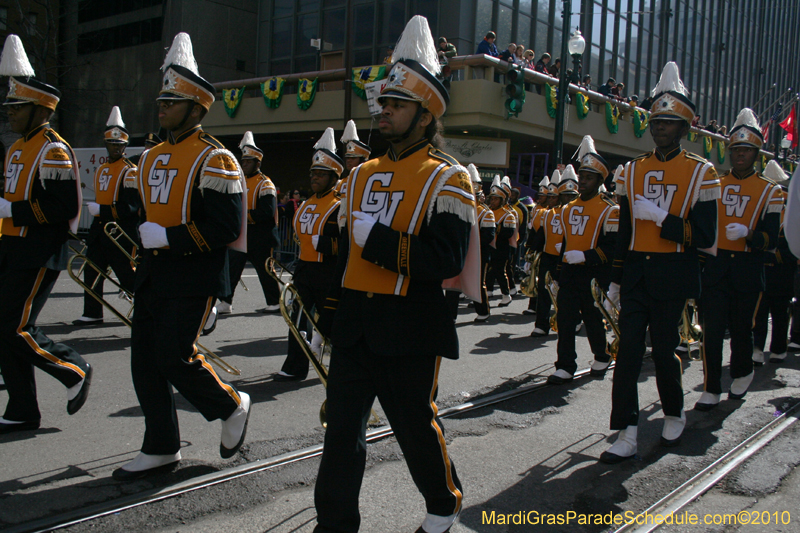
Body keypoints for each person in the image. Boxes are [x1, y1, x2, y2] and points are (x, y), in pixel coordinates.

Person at [313, 16, 474, 533]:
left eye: (396, 104)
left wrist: (377, 240)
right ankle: (334, 524)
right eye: (382, 102)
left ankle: (444, 499)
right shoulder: (358, 174)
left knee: (413, 427)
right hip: (356, 323)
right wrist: (328, 315)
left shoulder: (449, 177)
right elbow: (343, 260)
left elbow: (444, 260)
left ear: (425, 115)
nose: (383, 111)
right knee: (341, 432)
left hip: (409, 325)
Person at [112, 33, 251, 481]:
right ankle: (160, 446)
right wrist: (142, 234)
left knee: (175, 356)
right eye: (161, 99)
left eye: (171, 100)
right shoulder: (149, 156)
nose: (162, 106)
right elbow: (136, 212)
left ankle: (231, 404)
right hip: (153, 274)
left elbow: (225, 227)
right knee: (144, 362)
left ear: (195, 108)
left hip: (194, 276)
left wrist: (168, 237)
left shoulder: (217, 160)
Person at [601, 62, 720, 463]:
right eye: (655, 120)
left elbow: (705, 237)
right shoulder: (631, 171)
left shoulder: (702, 173)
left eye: (668, 122)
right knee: (629, 352)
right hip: (635, 274)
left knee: (666, 349)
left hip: (673, 275)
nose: (659, 127)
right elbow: (623, 235)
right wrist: (614, 281)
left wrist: (664, 221)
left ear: (683, 127)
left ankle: (673, 409)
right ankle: (627, 430)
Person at [0, 34, 91, 433]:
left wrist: (13, 210)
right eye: (8, 106)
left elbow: (62, 207)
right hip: (11, 244)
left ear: (39, 109)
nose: (10, 113)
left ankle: (74, 368)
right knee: (3, 328)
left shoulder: (53, 148)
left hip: (36, 249)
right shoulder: (18, 146)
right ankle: (21, 409)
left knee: (12, 326)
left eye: (17, 106)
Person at [694, 109, 782, 410]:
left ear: (756, 154)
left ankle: (743, 371)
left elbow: (772, 240)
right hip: (716, 267)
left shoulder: (771, 191)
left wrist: (749, 233)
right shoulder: (713, 183)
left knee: (742, 329)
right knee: (712, 330)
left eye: (745, 150)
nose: (740, 155)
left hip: (747, 268)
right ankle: (711, 387)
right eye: (736, 150)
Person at [547, 137, 619, 385]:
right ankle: (565, 365)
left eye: (589, 178)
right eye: (582, 177)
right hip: (569, 274)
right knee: (565, 320)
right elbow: (566, 243)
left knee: (592, 318)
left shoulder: (611, 209)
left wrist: (586, 257)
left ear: (600, 180)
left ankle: (602, 354)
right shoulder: (568, 208)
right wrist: (558, 272)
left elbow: (612, 248)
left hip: (594, 275)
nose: (584, 182)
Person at [275, 127, 342, 382]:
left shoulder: (340, 205)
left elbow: (346, 243)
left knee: (331, 322)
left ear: (333, 176)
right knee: (296, 317)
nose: (315, 177)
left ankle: (341, 369)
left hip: (329, 271)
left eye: (321, 174)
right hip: (304, 268)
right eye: (313, 173)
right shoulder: (305, 204)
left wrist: (323, 243)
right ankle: (294, 366)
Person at [73, 106, 139, 326]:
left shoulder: (129, 171)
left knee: (127, 276)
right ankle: (92, 312)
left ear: (125, 146)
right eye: (112, 144)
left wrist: (101, 210)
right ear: (106, 145)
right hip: (99, 231)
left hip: (120, 232)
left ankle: (146, 310)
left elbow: (130, 207)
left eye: (119, 145)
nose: (115, 148)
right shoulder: (102, 169)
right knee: (92, 271)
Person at [219, 131, 281, 314]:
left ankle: (275, 302)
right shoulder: (239, 181)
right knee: (232, 269)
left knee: (265, 271)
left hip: (261, 236)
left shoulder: (265, 183)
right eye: (243, 161)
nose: (244, 164)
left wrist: (241, 215)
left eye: (248, 162)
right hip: (243, 235)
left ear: (257, 163)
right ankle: (225, 301)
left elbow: (267, 212)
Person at [753, 162, 794, 363]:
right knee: (777, 312)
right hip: (776, 266)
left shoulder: (787, 203)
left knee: (766, 311)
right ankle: (774, 349)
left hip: (779, 265)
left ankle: (762, 348)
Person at [528, 170, 564, 335]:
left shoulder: (570, 212)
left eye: (553, 197)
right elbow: (540, 235)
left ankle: (569, 321)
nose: (550, 200)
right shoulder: (547, 213)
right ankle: (541, 325)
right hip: (548, 257)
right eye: (548, 197)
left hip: (566, 259)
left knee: (563, 293)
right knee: (543, 290)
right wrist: (532, 253)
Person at [484, 175, 516, 307]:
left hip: (502, 248)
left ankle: (506, 294)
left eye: (496, 199)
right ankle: (489, 291)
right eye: (492, 198)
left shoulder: (508, 215)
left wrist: (496, 229)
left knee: (500, 272)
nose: (493, 201)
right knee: (489, 271)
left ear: (502, 200)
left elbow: (508, 234)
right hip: (491, 247)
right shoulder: (488, 211)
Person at [469, 164, 495, 323]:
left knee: (478, 282)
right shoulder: (461, 208)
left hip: (479, 253)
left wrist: (471, 245)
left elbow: (488, 236)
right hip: (463, 252)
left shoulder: (486, 212)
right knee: (453, 285)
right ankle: (450, 314)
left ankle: (483, 311)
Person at [508, 186, 529, 295]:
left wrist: (520, 240)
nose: (511, 197)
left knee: (513, 263)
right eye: (510, 194)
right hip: (506, 239)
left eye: (514, 195)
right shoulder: (507, 206)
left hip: (516, 239)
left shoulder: (522, 208)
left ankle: (512, 282)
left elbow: (523, 225)